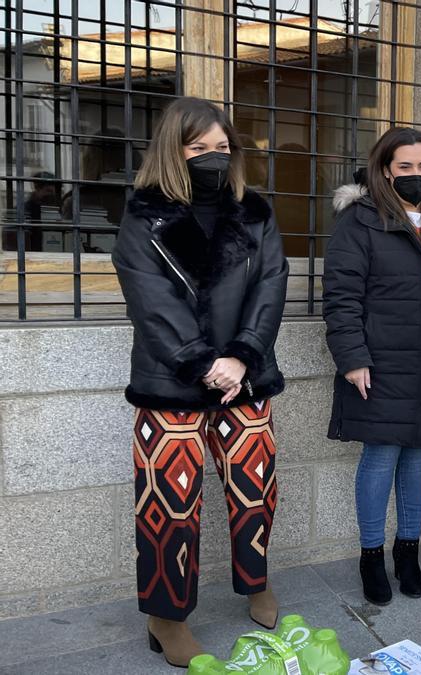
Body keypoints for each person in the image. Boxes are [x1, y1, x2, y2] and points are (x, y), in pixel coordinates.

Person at [111, 96, 288, 667]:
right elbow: (150, 299)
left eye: (221, 147)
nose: (213, 157)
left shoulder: (253, 209)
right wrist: (203, 362)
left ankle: (255, 581)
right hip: (173, 383)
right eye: (198, 148)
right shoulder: (143, 216)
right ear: (173, 149)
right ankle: (166, 619)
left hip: (245, 378)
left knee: (255, 488)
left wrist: (243, 355)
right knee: (170, 504)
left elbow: (271, 286)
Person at [323, 126, 421, 605]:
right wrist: (352, 358)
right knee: (381, 455)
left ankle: (408, 551)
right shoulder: (360, 221)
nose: (416, 175)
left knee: (420, 455)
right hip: (379, 361)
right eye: (405, 167)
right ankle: (370, 555)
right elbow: (341, 298)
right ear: (385, 170)